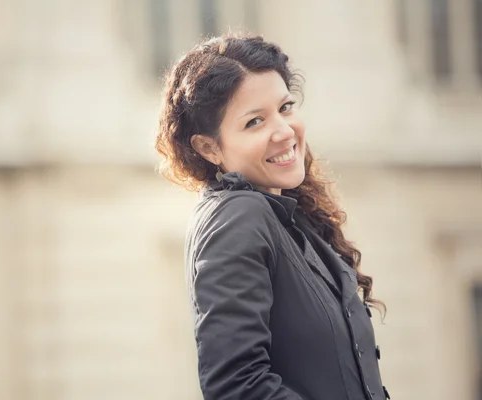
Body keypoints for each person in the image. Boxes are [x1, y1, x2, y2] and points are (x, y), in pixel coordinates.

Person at [155, 33, 390, 400]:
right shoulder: (238, 217)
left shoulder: (285, 214)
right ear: (209, 146)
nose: (283, 131)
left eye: (285, 107)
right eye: (254, 122)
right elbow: (237, 385)